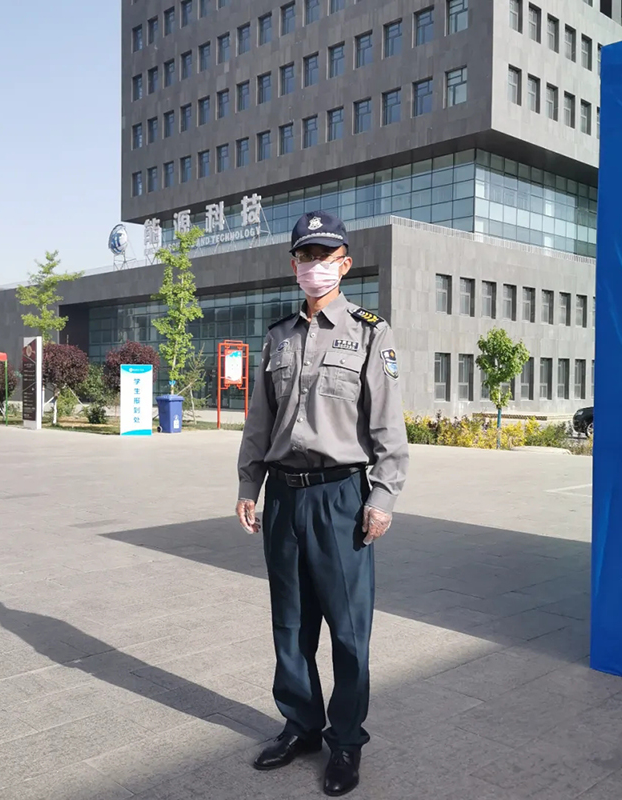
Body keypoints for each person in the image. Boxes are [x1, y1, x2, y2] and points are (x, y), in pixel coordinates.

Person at [236, 211, 409, 797]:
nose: (315, 266)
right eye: (306, 256)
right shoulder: (278, 336)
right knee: (291, 623)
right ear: (294, 265)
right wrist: (249, 485)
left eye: (325, 256)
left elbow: (387, 426)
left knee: (348, 628)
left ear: (345, 263)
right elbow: (259, 422)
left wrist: (382, 496)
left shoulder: (369, 333)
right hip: (284, 496)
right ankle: (301, 725)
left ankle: (347, 739)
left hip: (341, 498)